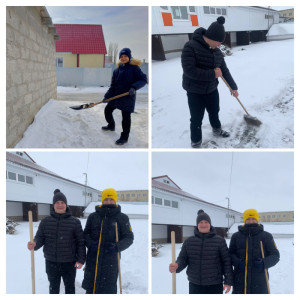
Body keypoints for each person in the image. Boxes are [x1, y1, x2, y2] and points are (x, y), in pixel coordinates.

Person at [181, 16, 238, 148]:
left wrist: (233, 87)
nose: (220, 45)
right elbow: (189, 70)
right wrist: (212, 73)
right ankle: (196, 141)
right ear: (210, 37)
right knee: (196, 119)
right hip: (195, 91)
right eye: (218, 42)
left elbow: (224, 70)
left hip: (212, 89)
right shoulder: (190, 46)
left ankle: (217, 131)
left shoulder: (217, 52)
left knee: (214, 112)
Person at [27, 189, 86, 294]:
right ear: (53, 205)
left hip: (69, 262)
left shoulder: (75, 222)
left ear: (66, 205)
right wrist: (34, 244)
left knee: (70, 288)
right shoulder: (45, 222)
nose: (60, 205)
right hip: (51, 262)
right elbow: (40, 237)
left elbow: (80, 242)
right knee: (53, 288)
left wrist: (81, 260)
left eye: (62, 202)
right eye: (57, 203)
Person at [82, 188, 134, 294]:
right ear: (102, 200)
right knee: (91, 287)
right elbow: (85, 234)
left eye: (111, 199)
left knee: (108, 288)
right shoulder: (93, 216)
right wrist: (90, 244)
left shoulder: (122, 218)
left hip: (111, 260)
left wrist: (117, 247)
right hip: (93, 258)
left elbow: (129, 237)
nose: (108, 202)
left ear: (115, 200)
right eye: (106, 199)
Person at [169, 210, 233, 294]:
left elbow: (226, 262)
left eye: (206, 222)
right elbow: (183, 259)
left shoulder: (219, 241)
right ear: (197, 224)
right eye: (201, 222)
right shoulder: (189, 241)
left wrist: (228, 281)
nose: (203, 224)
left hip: (214, 284)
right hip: (195, 284)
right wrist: (177, 265)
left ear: (210, 224)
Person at [102, 48, 148, 145]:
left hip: (128, 96)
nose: (123, 58)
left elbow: (144, 79)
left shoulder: (134, 68)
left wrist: (134, 87)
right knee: (107, 110)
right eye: (121, 57)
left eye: (125, 56)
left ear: (129, 57)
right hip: (116, 96)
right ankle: (111, 125)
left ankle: (124, 137)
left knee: (126, 118)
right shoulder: (116, 71)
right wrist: (107, 96)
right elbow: (113, 86)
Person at [229, 208, 280, 294]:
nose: (251, 221)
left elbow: (275, 255)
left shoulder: (266, 236)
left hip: (260, 280)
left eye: (253, 219)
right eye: (248, 219)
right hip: (240, 280)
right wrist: (237, 262)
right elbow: (230, 254)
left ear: (257, 219)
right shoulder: (236, 236)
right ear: (245, 220)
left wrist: (264, 263)